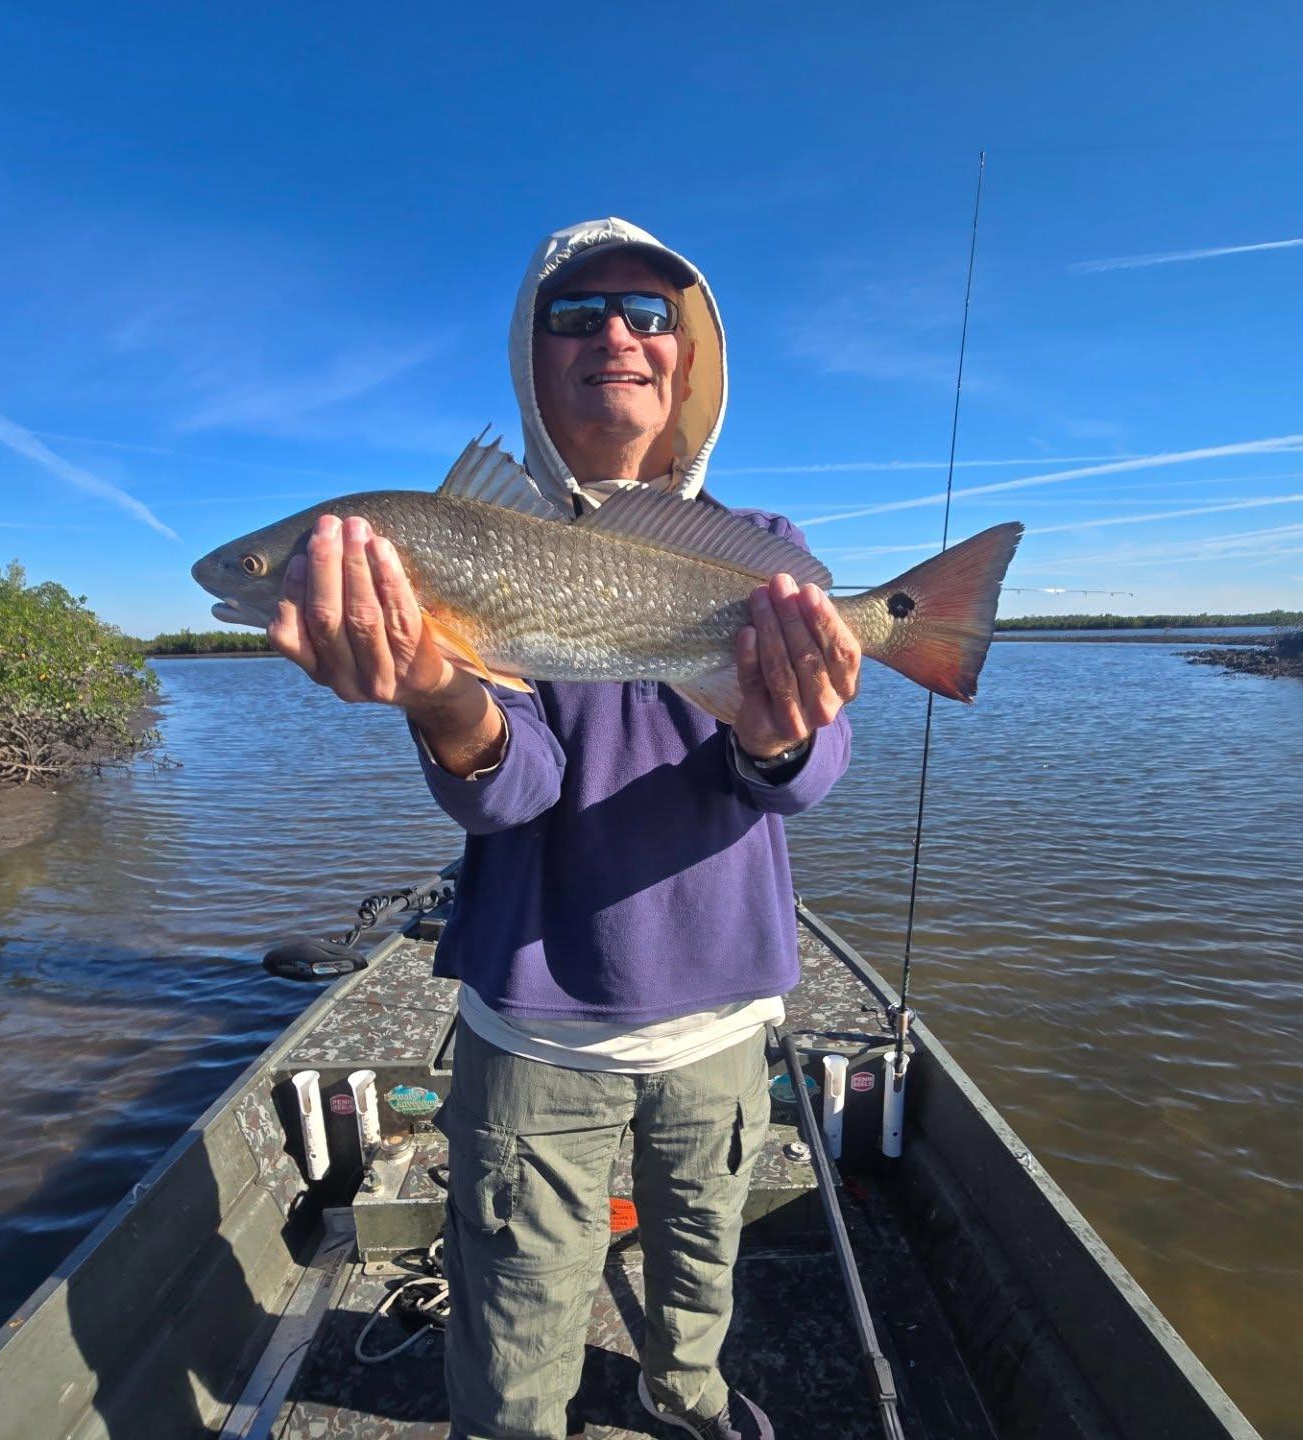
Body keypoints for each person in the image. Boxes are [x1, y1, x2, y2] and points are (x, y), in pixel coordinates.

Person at [267, 218, 861, 1440]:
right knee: (516, 1312)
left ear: (688, 362)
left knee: (701, 1268)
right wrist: (441, 694)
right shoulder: (466, 544)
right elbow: (516, 788)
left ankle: (683, 1398)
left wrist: (776, 730)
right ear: (530, 361)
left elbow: (804, 781)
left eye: (650, 314)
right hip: (535, 1028)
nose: (617, 337)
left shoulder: (768, 554)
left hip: (724, 1017)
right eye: (576, 315)